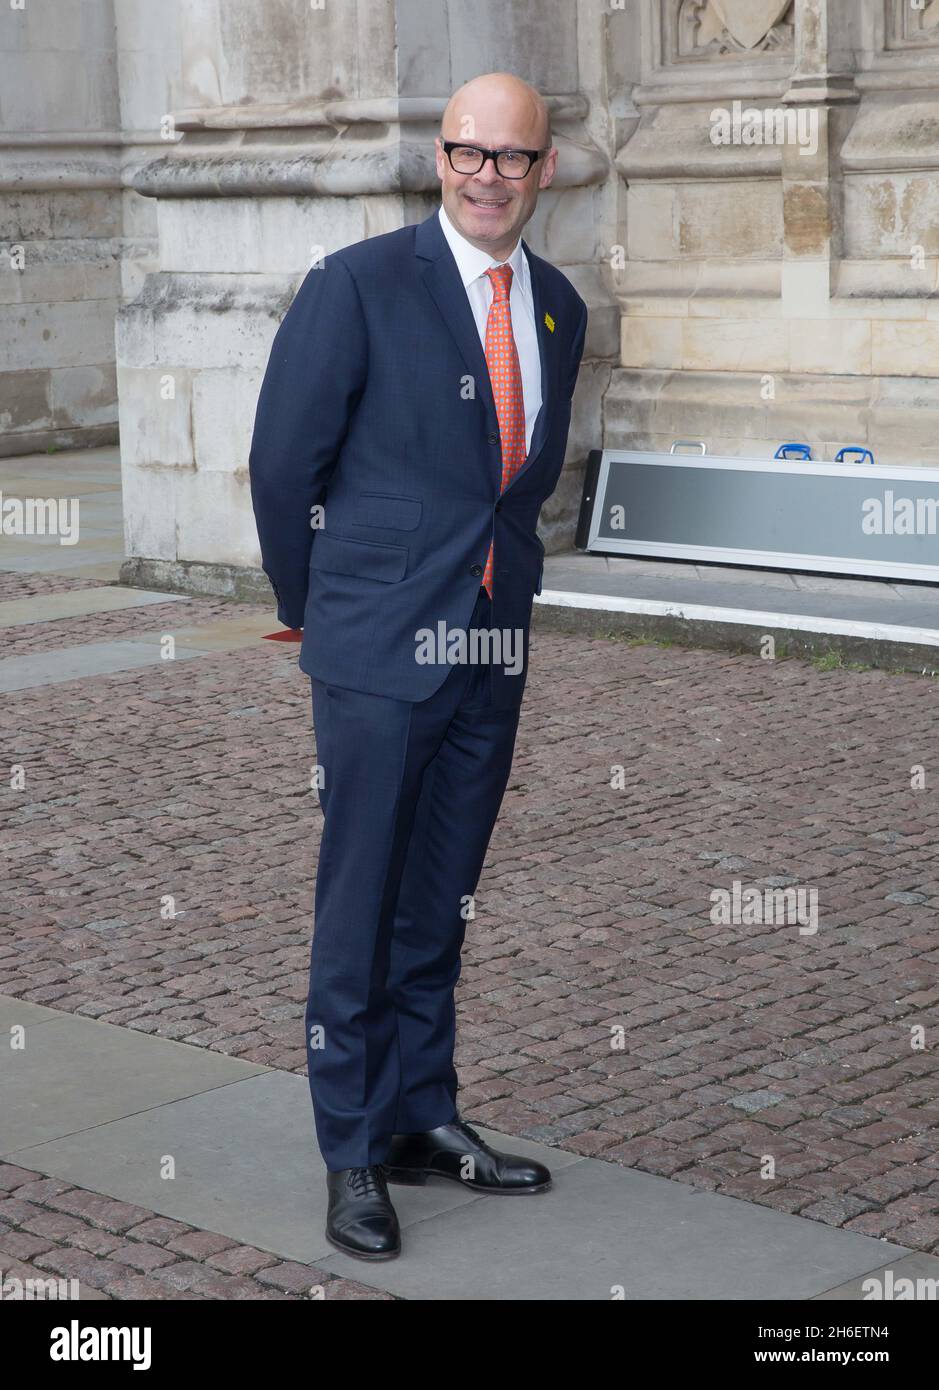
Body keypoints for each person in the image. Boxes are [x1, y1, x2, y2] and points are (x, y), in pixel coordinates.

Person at [249, 71, 588, 1260]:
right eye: (467, 152)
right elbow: (283, 464)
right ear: (439, 159)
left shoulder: (558, 306)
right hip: (377, 650)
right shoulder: (357, 285)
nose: (488, 175)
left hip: (491, 643)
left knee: (442, 892)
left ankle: (419, 1115)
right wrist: (321, 614)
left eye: (513, 156)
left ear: (547, 169)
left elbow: (516, 488)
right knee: (360, 902)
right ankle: (351, 1147)